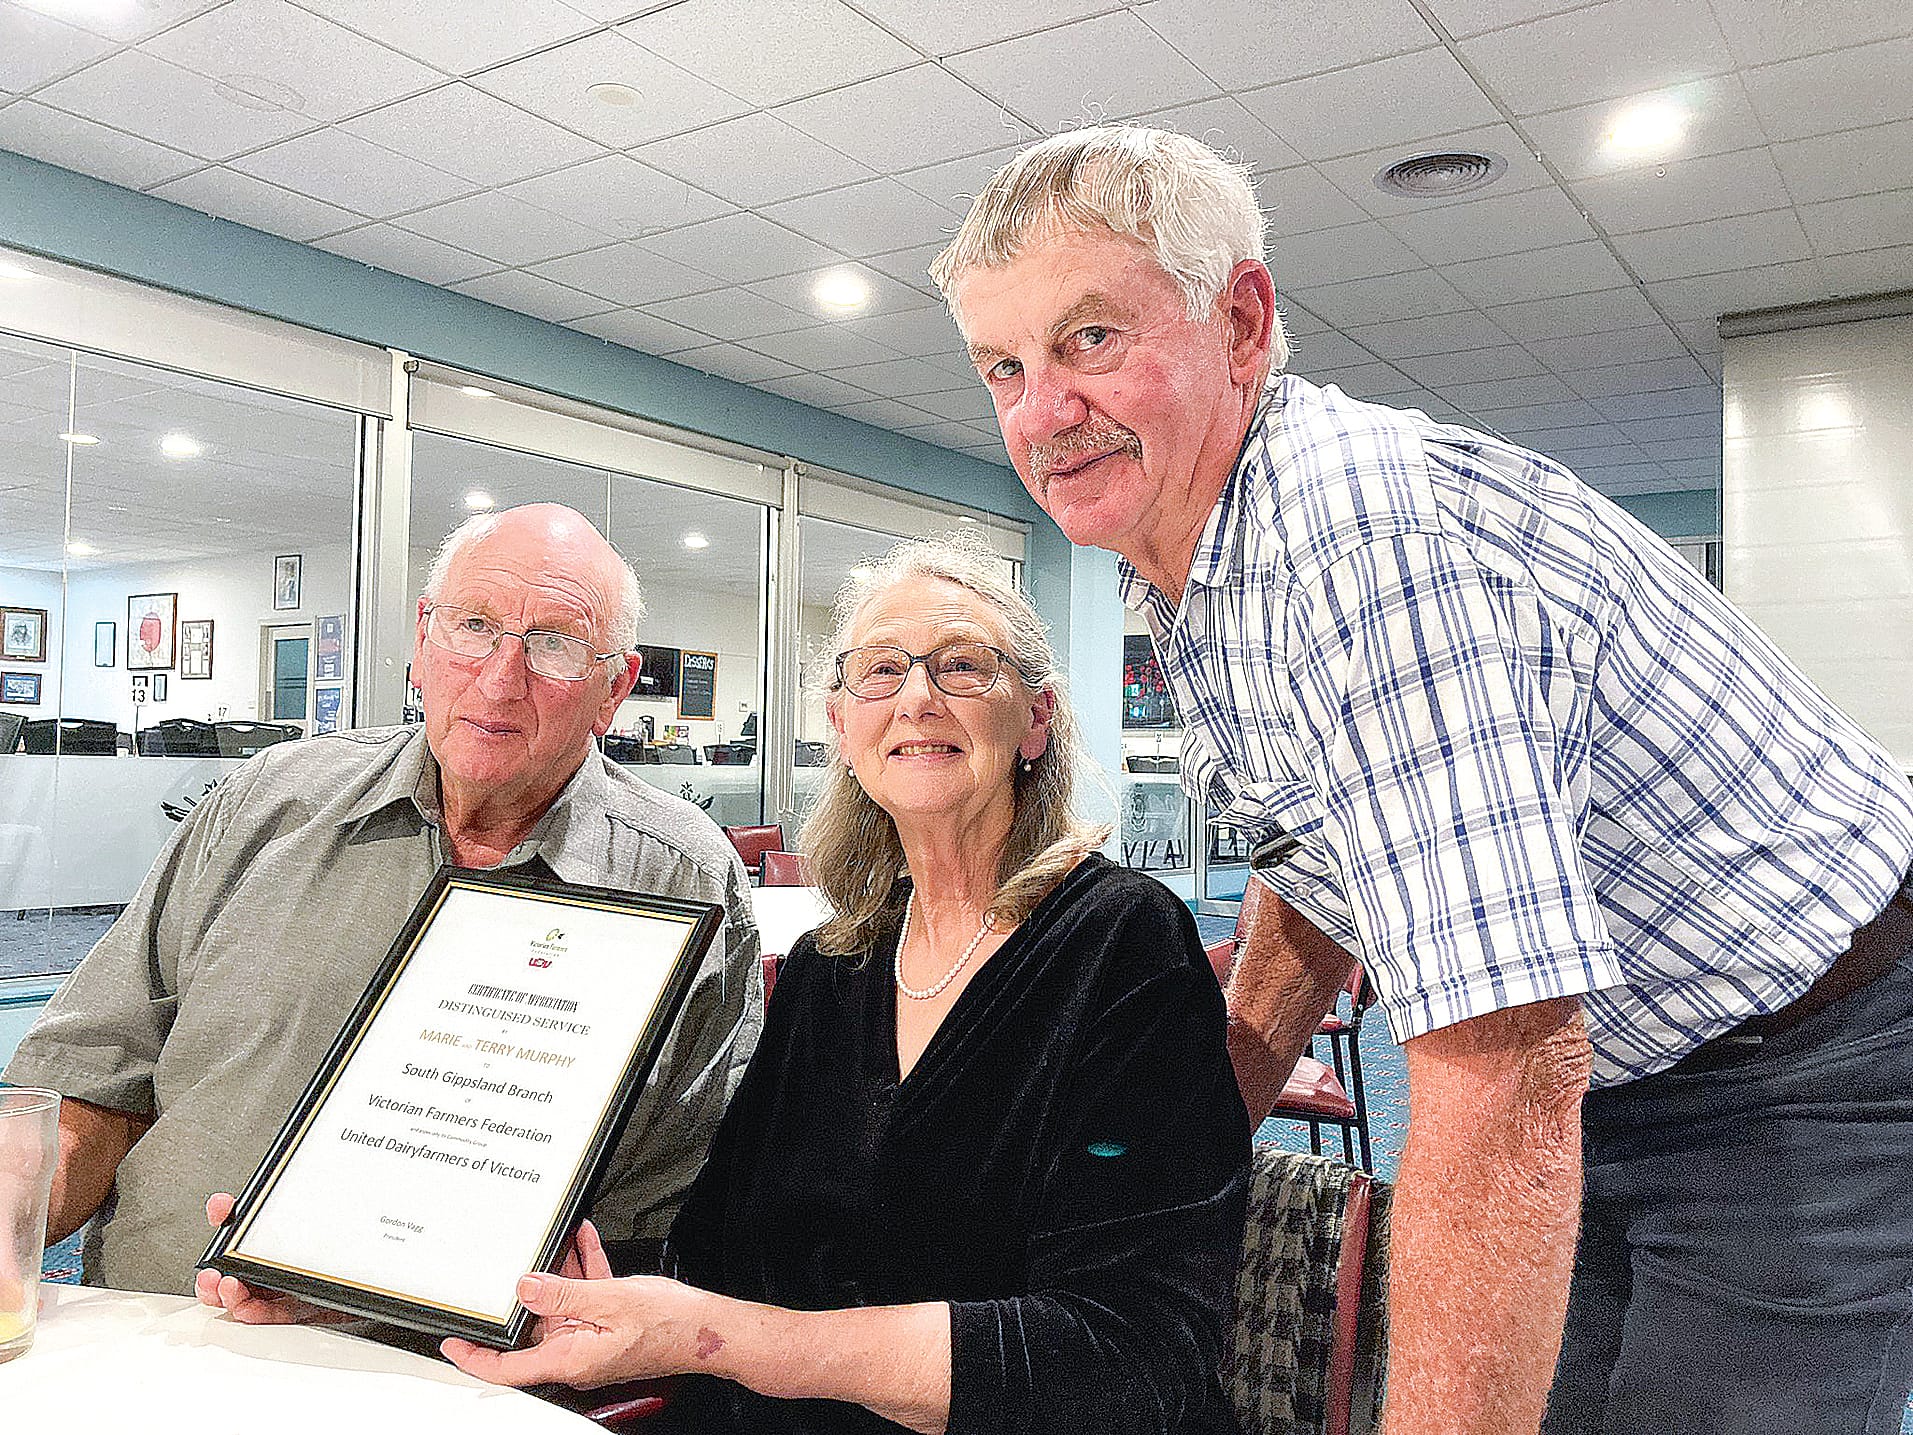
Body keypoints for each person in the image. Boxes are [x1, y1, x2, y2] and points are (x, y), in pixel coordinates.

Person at [928, 125, 1913, 1435]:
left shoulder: (1364, 551)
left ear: (1239, 319)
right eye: (1007, 366)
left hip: (1813, 1046)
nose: (1044, 411)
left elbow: (1503, 1069)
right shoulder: (1189, 558)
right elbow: (1320, 867)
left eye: (1091, 339)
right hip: (1620, 1056)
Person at [433, 536, 1250, 1434]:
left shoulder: (1121, 942)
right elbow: (716, 1255)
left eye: (964, 666)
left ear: (1037, 720)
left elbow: (1132, 1354)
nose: (917, 696)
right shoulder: (835, 961)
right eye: (881, 669)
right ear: (840, 723)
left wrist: (727, 1339)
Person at [4, 503, 762, 1294]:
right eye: (474, 624)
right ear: (422, 641)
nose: (501, 679)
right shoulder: (270, 804)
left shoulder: (687, 883)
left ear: (614, 688)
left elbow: (662, 1223)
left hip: (447, 1384)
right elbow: (91, 1077)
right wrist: (13, 1219)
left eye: (555, 645)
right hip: (151, 1331)